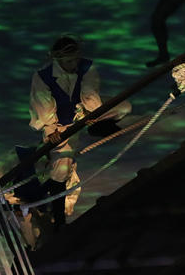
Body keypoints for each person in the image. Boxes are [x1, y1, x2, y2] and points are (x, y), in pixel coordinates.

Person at [28, 35, 131, 227]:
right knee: (62, 167)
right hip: (60, 124)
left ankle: (96, 128)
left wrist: (93, 114)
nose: (74, 64)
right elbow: (42, 105)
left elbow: (90, 92)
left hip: (82, 115)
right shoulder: (42, 76)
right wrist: (52, 131)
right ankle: (58, 217)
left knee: (124, 107)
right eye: (69, 61)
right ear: (58, 60)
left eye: (75, 59)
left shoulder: (86, 67)